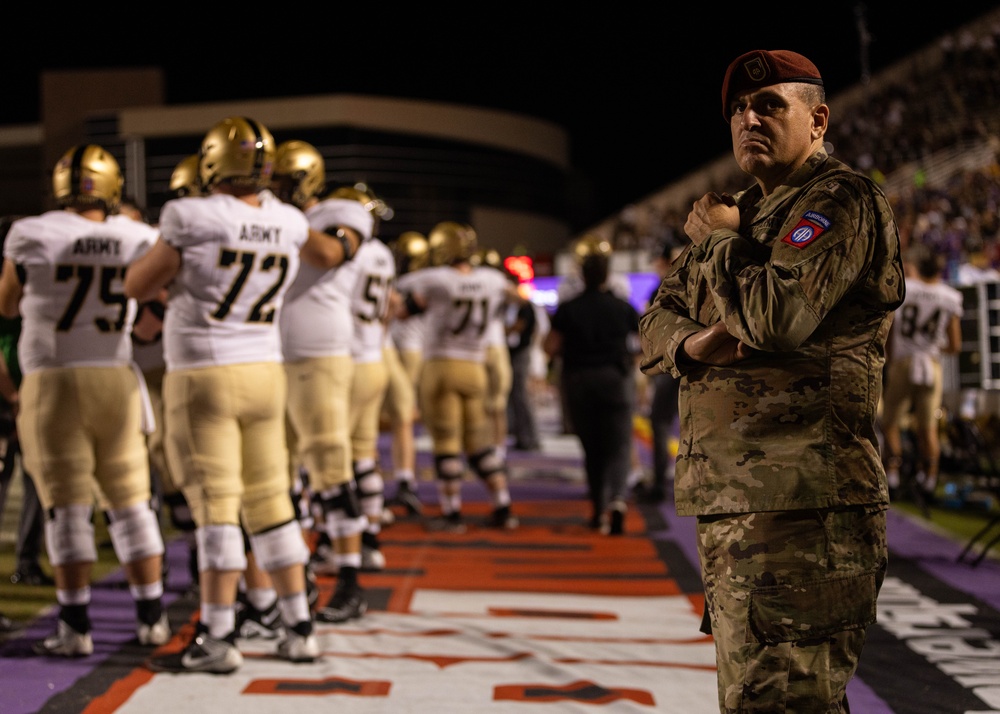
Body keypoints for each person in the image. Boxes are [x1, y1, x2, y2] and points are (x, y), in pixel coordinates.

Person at [639, 49, 904, 712]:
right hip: (740, 504)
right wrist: (701, 343)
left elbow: (774, 319)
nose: (748, 118)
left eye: (768, 105)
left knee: (780, 702)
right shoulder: (739, 212)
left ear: (817, 121)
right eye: (737, 110)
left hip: (802, 508)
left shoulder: (838, 198)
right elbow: (653, 327)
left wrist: (725, 246)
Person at [125, 117, 355, 673]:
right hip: (265, 370)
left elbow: (137, 285)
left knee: (216, 506)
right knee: (272, 501)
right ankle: (299, 626)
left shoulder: (189, 215)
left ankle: (217, 634)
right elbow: (328, 252)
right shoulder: (288, 219)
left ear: (211, 162)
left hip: (205, 372)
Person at [0, 144, 171, 657]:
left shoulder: (31, 231)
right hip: (114, 376)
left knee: (68, 509)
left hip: (53, 381)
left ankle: (75, 626)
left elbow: (6, 302)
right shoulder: (139, 236)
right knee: (133, 504)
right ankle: (152, 618)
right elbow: (156, 306)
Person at [271, 144, 369, 626]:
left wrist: (284, 219)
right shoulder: (273, 214)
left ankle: (350, 578)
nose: (272, 191)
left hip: (322, 356)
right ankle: (297, 574)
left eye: (281, 182)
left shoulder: (341, 211)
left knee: (331, 465)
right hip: (271, 356)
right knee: (279, 475)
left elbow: (329, 252)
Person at [394, 221, 522, 532]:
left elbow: (405, 304)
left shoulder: (435, 278)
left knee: (447, 442)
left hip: (442, 365)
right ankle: (503, 506)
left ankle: (452, 512)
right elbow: (520, 298)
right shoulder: (492, 279)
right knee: (479, 442)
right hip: (475, 367)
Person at [543, 235, 639, 534]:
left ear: (581, 274)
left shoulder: (569, 307)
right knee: (620, 445)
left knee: (592, 448)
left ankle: (598, 511)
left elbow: (550, 347)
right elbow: (644, 344)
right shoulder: (622, 306)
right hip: (615, 379)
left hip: (579, 381)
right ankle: (618, 499)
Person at [880, 243, 962, 502]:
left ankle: (892, 474)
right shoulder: (950, 296)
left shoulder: (908, 289)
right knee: (928, 429)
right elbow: (955, 345)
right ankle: (928, 480)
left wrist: (893, 359)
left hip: (903, 363)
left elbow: (891, 334)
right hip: (931, 365)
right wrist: (934, 346)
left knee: (890, 423)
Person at [634, 240, 682, 505]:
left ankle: (660, 485)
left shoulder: (663, 289)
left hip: (673, 361)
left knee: (660, 421)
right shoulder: (695, 280)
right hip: (694, 361)